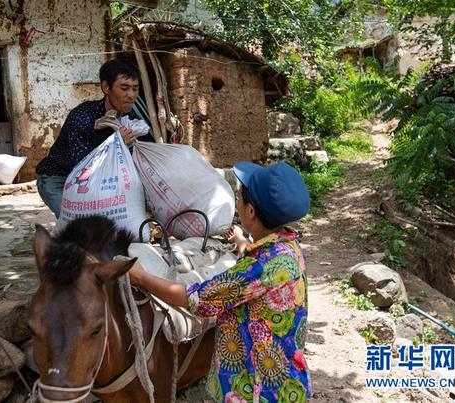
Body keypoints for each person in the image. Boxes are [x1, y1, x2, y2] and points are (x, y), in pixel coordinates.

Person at [128, 161, 312, 403]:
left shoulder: (256, 269)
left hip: (258, 389)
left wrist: (141, 276)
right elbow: (260, 277)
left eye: (239, 198)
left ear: (251, 211)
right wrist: (242, 243)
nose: (237, 203)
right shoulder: (288, 248)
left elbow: (196, 299)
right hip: (286, 378)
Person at [36, 58, 144, 217]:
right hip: (58, 179)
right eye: (124, 88)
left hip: (98, 181)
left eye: (135, 89)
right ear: (106, 87)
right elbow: (83, 164)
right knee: (76, 226)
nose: (131, 95)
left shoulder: (130, 117)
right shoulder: (83, 116)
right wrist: (116, 143)